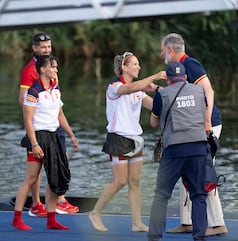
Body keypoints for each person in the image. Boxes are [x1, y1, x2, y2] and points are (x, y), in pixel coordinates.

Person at [88, 51, 166, 232]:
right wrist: (153, 77)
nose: (138, 67)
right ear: (123, 67)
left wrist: (161, 90)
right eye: (135, 64)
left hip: (135, 139)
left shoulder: (138, 91)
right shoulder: (115, 87)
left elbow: (155, 106)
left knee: (135, 182)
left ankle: (137, 223)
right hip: (118, 139)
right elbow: (129, 89)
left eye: (138, 64)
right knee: (120, 181)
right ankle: (95, 213)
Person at [160, 33, 226, 236]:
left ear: (171, 50)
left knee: (205, 173)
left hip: (207, 124)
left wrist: (206, 121)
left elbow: (209, 91)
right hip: (192, 125)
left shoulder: (191, 64)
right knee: (186, 170)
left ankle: (216, 223)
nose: (161, 54)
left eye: (162, 50)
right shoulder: (177, 70)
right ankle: (187, 221)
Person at [12, 54, 79, 231]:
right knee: (32, 177)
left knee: (53, 177)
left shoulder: (55, 89)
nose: (56, 70)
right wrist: (34, 144)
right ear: (43, 69)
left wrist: (71, 134)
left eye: (56, 67)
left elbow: (60, 115)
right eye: (53, 67)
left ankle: (51, 219)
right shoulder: (33, 92)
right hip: (38, 136)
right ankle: (17, 218)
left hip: (54, 136)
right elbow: (28, 120)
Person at [148, 62, 208, 241]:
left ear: (167, 79)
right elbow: (203, 113)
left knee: (162, 194)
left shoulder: (162, 94)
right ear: (186, 76)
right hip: (198, 148)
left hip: (174, 150)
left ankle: (155, 236)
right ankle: (200, 237)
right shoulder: (199, 91)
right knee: (198, 194)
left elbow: (154, 123)